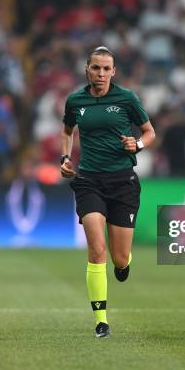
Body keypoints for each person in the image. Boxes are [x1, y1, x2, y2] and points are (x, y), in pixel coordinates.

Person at [60, 46, 155, 338]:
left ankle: (123, 265)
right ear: (87, 70)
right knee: (96, 249)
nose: (101, 74)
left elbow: (150, 132)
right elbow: (67, 131)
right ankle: (101, 320)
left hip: (122, 182)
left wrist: (136, 145)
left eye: (106, 69)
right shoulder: (75, 100)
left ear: (114, 72)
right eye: (96, 68)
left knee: (120, 257)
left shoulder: (127, 98)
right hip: (88, 180)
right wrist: (65, 158)